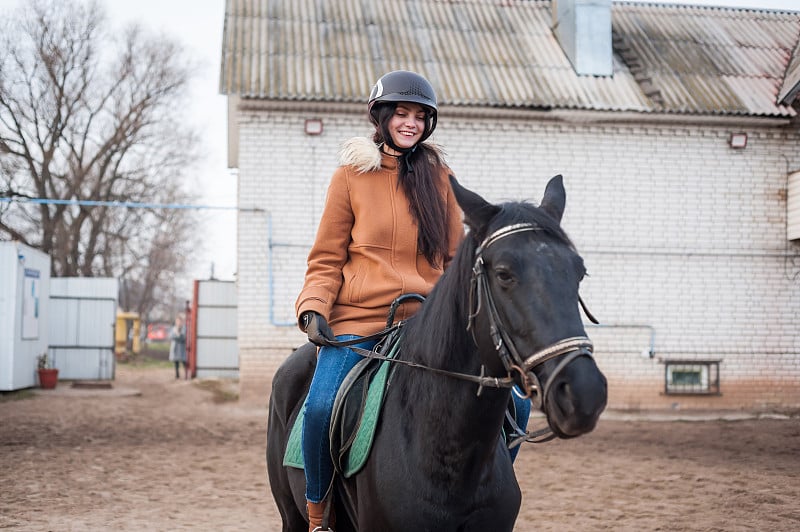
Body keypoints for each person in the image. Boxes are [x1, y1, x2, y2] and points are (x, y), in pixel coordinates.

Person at [295, 70, 528, 531]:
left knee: (516, 401)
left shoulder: (441, 179)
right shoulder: (350, 178)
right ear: (381, 117)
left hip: (428, 321)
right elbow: (326, 256)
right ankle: (318, 514)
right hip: (359, 323)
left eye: (420, 117)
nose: (410, 123)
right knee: (320, 407)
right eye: (401, 113)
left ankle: (482, 488)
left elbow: (458, 260)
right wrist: (313, 309)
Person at [168, 313, 188, 380]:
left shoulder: (184, 328)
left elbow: (183, 337)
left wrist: (178, 336)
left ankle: (186, 374)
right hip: (175, 347)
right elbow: (171, 336)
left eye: (180, 321)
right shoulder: (174, 328)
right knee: (176, 361)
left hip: (182, 347)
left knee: (184, 361)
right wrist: (177, 335)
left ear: (182, 321)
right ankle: (177, 375)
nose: (178, 322)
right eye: (177, 321)